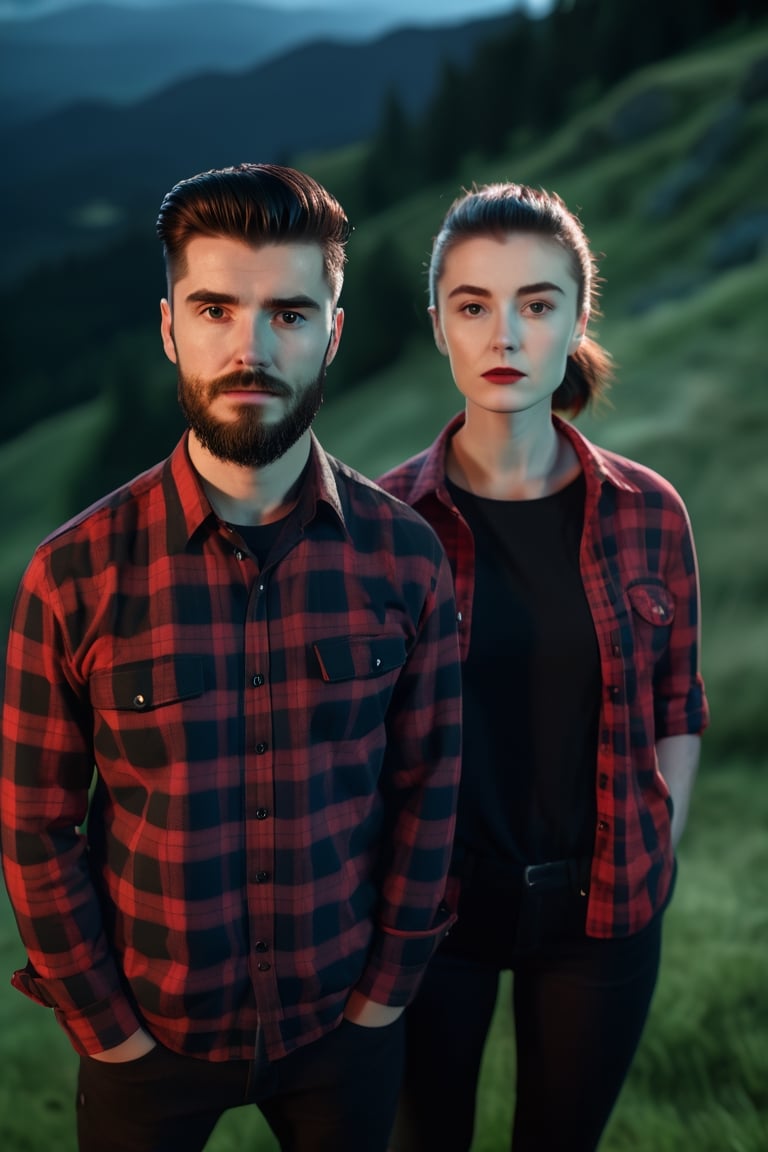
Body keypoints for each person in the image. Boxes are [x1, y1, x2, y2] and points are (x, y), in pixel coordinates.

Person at [0, 162, 462, 1152]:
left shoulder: (405, 557)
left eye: (289, 314)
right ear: (170, 326)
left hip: (346, 1030)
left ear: (331, 334)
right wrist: (107, 1031)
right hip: (146, 1042)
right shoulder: (71, 575)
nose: (250, 348)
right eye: (214, 308)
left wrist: (385, 995)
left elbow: (430, 786)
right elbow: (36, 825)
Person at [377, 181, 709, 1152]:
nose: (504, 337)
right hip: (430, 915)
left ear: (575, 317)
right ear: (439, 323)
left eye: (536, 303)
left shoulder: (651, 513)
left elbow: (678, 701)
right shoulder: (386, 530)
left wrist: (663, 842)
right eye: (473, 305)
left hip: (603, 907)